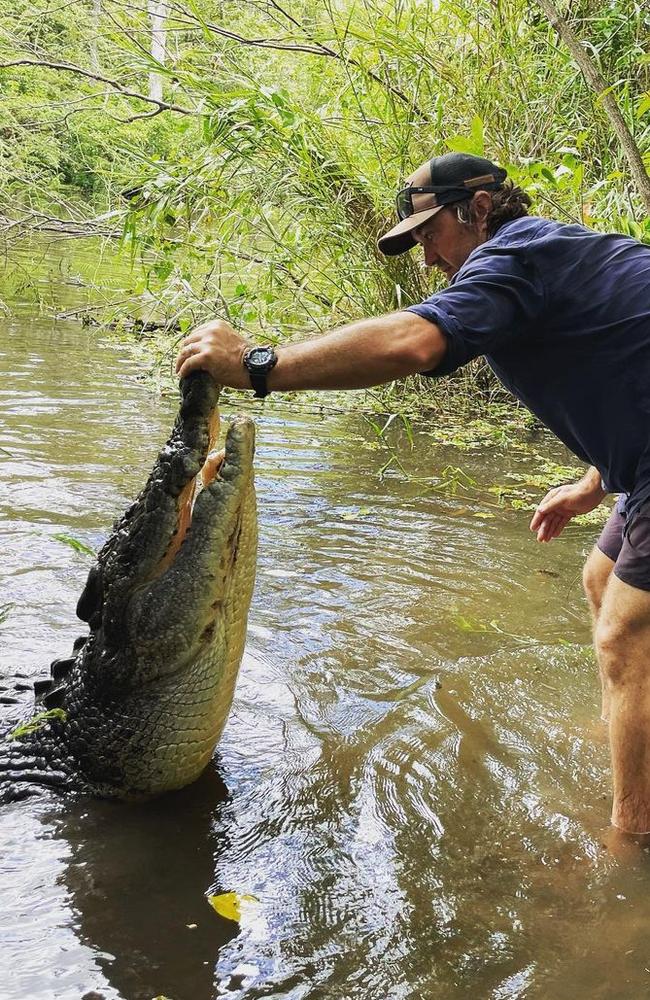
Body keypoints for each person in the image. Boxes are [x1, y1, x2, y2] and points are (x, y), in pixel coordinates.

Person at [175, 152, 650, 839]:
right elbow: (628, 360)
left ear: (480, 209)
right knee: (602, 577)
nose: (428, 257)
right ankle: (632, 739)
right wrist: (588, 487)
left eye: (431, 234)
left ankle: (629, 845)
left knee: (626, 633)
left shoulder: (513, 257)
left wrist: (258, 365)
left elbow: (411, 342)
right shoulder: (551, 257)